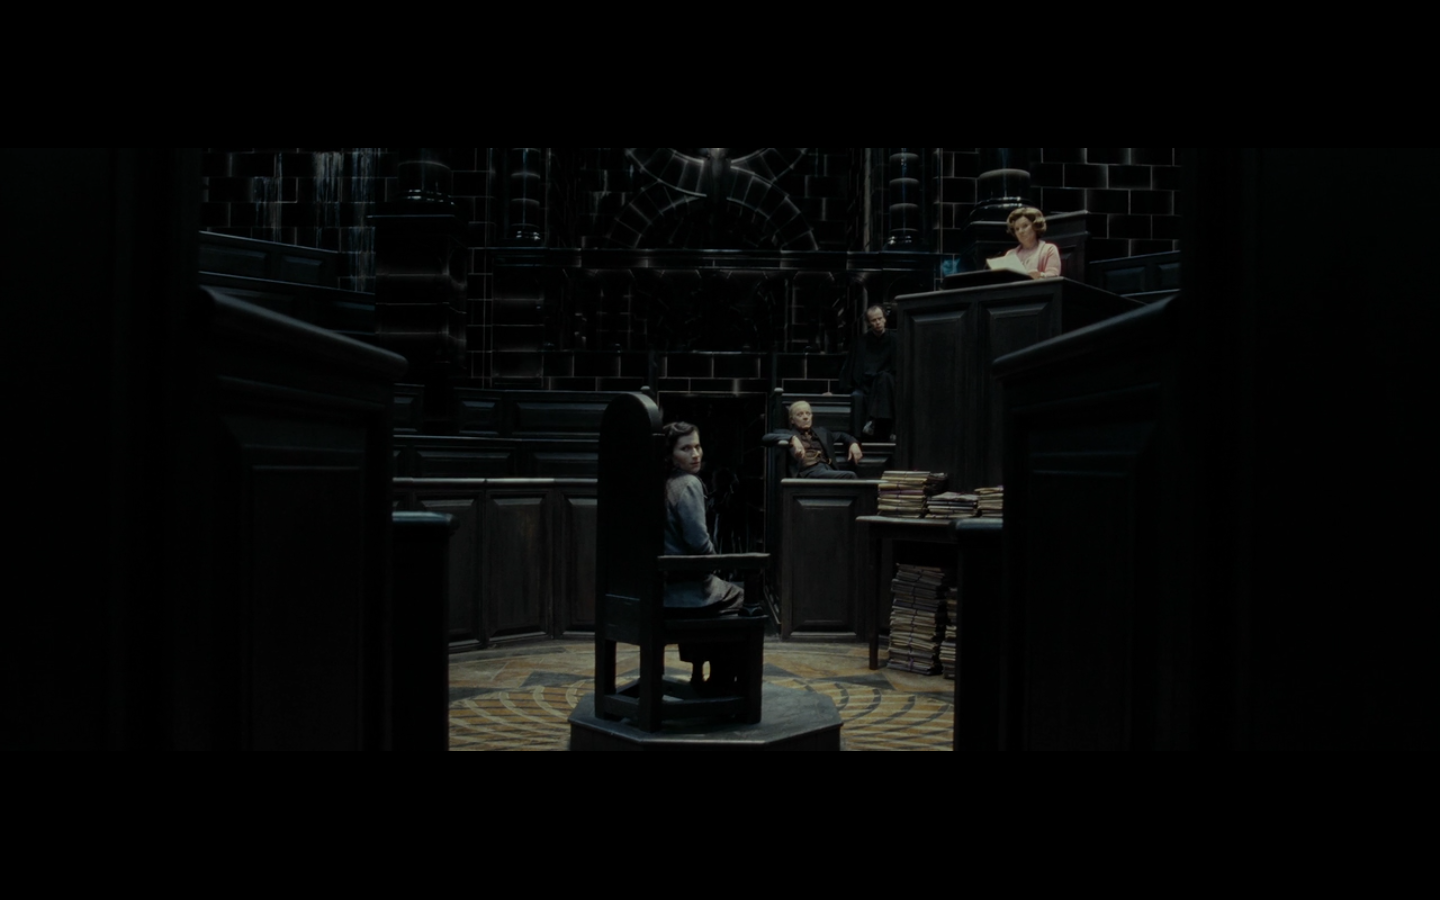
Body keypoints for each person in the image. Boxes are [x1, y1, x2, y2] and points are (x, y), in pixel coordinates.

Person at [661, 421, 745, 614]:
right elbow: (698, 543)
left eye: (697, 446)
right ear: (670, 456)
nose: (695, 454)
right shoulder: (689, 483)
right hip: (689, 591)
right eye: (685, 449)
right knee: (748, 600)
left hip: (664, 588)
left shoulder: (665, 480)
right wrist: (715, 564)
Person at [837, 304, 897, 439]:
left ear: (885, 319)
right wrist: (836, 391)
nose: (877, 323)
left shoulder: (896, 339)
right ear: (869, 323)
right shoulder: (861, 342)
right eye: (873, 320)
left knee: (883, 378)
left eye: (880, 319)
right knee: (857, 396)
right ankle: (858, 438)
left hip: (887, 385)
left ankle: (873, 421)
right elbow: (849, 369)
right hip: (866, 385)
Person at [765, 400, 863, 479]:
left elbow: (842, 435)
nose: (805, 417)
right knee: (850, 476)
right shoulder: (787, 433)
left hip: (827, 470)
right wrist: (793, 439)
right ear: (792, 420)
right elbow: (766, 438)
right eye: (800, 414)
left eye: (808, 413)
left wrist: (853, 443)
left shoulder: (822, 432)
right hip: (808, 472)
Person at [1002, 207, 1061, 279]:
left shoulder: (1049, 249)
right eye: (1017, 229)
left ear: (1035, 226)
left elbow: (1054, 275)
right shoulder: (1010, 254)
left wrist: (1040, 275)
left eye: (1025, 226)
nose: (1020, 231)